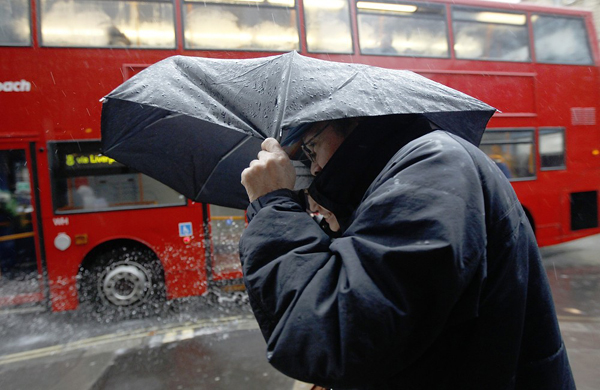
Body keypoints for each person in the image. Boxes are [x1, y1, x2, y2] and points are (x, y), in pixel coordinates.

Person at [239, 114, 574, 389]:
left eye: (312, 148)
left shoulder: (432, 165)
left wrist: (272, 206)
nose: (313, 169)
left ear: (353, 122)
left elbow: (332, 336)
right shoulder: (411, 170)